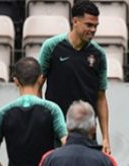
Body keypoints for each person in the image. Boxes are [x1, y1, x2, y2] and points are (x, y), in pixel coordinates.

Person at [38, 0, 110, 154]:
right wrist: (41, 119)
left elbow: (101, 98)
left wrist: (105, 138)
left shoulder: (99, 55)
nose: (93, 30)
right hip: (56, 129)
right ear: (75, 21)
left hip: (87, 131)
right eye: (89, 25)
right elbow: (37, 85)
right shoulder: (51, 47)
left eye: (95, 26)